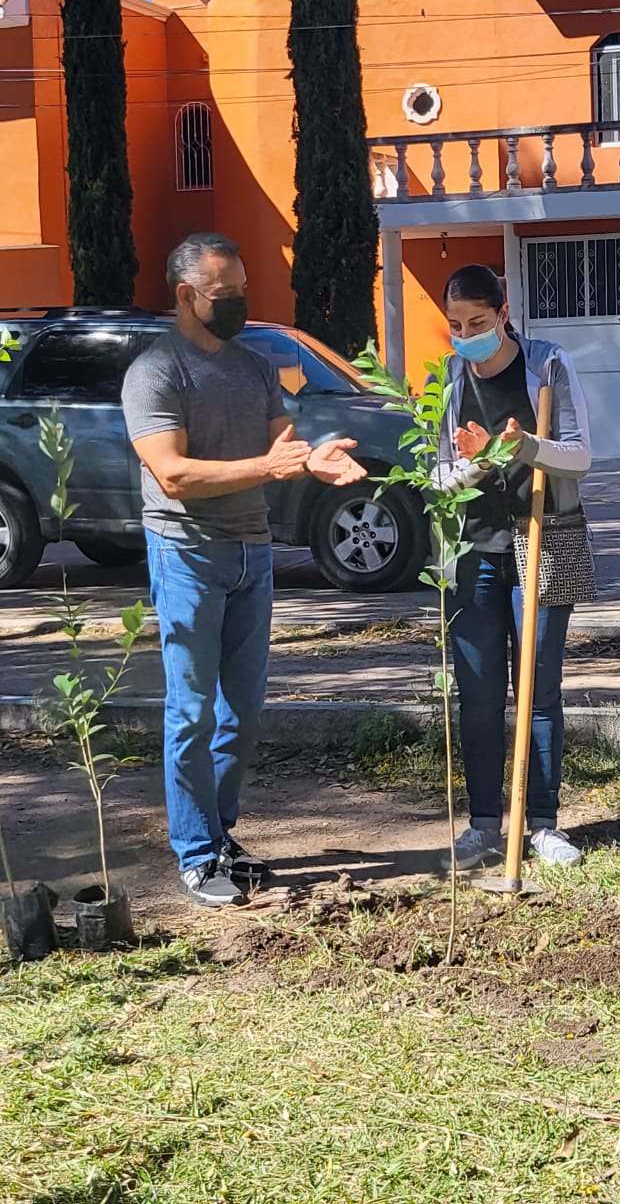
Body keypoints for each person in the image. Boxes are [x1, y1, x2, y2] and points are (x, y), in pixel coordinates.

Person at [121, 233, 366, 907]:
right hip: (187, 554)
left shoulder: (254, 367)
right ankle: (197, 855)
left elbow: (277, 445)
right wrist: (267, 467)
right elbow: (171, 474)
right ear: (186, 295)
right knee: (192, 712)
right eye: (225, 295)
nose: (238, 305)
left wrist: (313, 461)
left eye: (242, 291)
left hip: (252, 552)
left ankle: (219, 835)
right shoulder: (155, 372)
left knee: (242, 715)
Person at [436, 264, 592, 870]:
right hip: (472, 549)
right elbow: (439, 476)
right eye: (455, 324)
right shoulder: (449, 377)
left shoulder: (547, 364)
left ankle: (544, 823)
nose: (466, 335)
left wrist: (520, 446)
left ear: (503, 313)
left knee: (538, 689)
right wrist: (478, 465)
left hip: (542, 541)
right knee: (477, 696)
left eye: (477, 322)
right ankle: (481, 825)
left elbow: (579, 456)